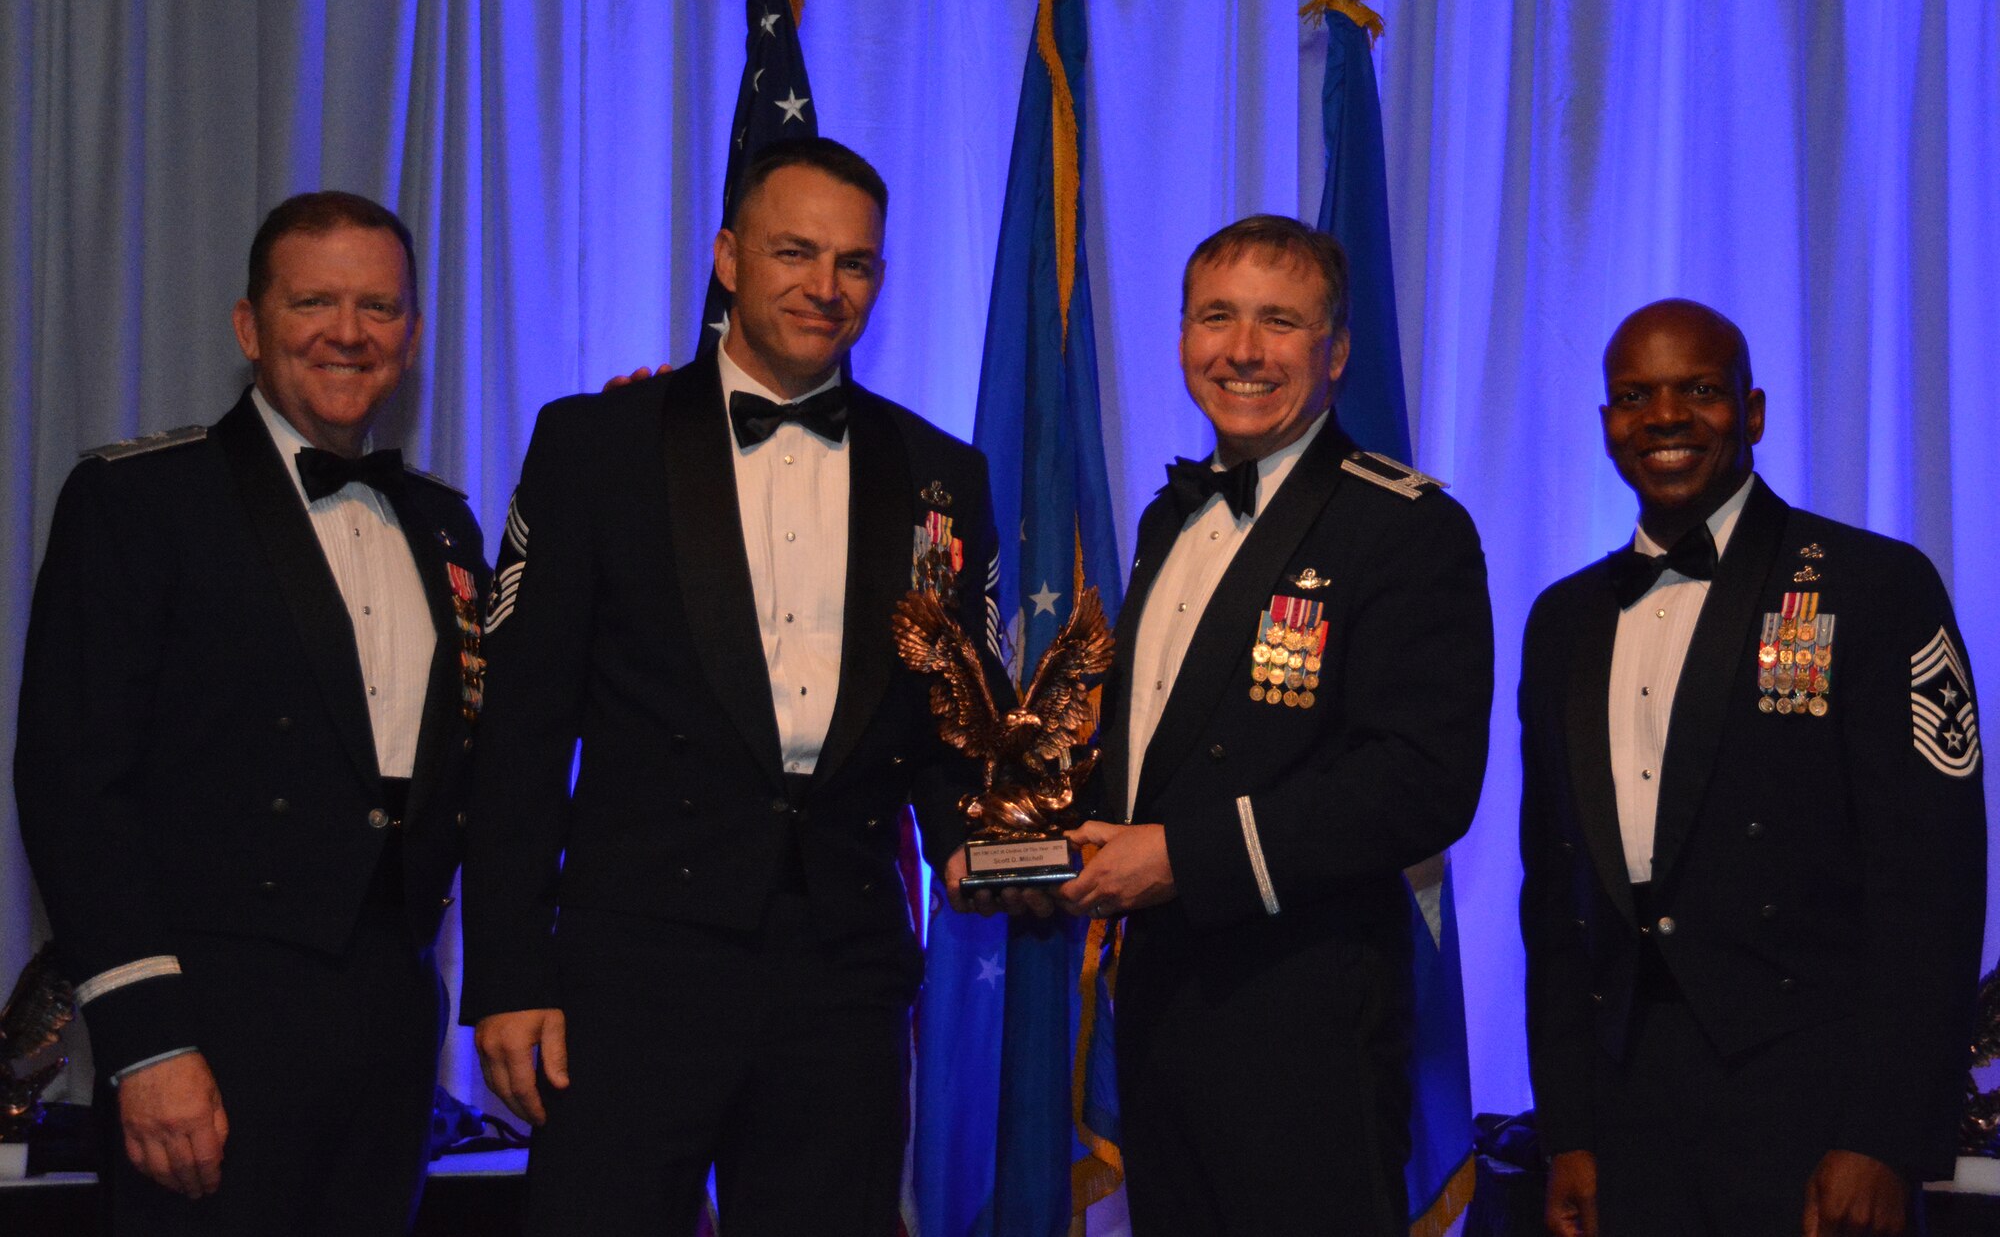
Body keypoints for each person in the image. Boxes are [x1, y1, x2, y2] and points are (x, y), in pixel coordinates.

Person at [461, 136, 1001, 1236]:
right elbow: (518, 731)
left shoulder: (942, 470)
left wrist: (990, 842)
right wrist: (509, 970)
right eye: (794, 251)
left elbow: (947, 721)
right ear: (726, 256)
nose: (824, 285)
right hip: (630, 970)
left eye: (853, 263)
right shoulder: (593, 444)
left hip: (843, 975)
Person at [14, 192, 489, 1233]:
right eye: (314, 300)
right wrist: (147, 1041)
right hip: (211, 1027)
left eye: (379, 306)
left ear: (410, 332)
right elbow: (71, 786)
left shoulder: (447, 525)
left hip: (393, 1025)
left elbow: (487, 768)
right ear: (248, 326)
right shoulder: (138, 501)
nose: (348, 331)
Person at [1056, 214, 1493, 1236]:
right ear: (1179, 338)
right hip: (1163, 1011)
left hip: (1305, 1029)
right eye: (1215, 317)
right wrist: (1036, 841)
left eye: (1278, 322)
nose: (1241, 350)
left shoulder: (1405, 527)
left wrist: (1181, 858)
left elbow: (1421, 781)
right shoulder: (1170, 516)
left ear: (1333, 351)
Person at [1518, 299, 1986, 1237]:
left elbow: (1931, 887)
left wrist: (1884, 1137)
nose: (1663, 416)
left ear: (1755, 411)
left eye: (1698, 389)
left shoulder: (1873, 585)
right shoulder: (1561, 619)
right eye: (1632, 395)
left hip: (1813, 1105)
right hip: (1628, 1107)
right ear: (1606, 422)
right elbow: (1553, 895)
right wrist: (1568, 1126)